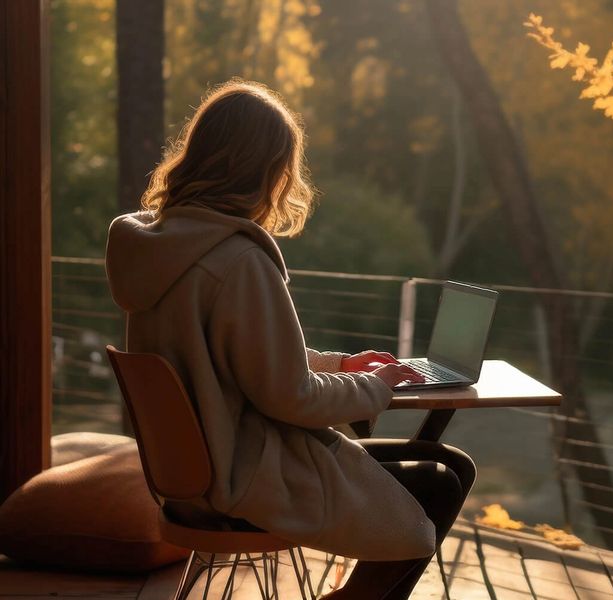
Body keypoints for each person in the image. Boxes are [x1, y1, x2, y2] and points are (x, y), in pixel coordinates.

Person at [105, 79, 476, 599]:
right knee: (440, 481)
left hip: (192, 476)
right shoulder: (237, 261)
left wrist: (345, 367)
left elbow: (237, 360)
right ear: (266, 170)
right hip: (243, 476)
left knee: (451, 464)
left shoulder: (160, 246)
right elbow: (289, 395)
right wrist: (378, 387)